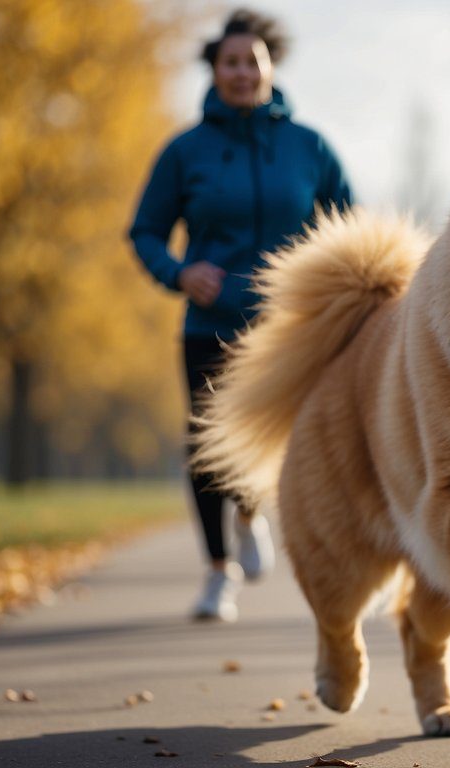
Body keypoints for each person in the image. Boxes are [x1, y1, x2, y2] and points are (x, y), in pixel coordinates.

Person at [128, 8, 352, 622]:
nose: (242, 73)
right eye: (230, 62)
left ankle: (253, 511)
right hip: (209, 324)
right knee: (206, 448)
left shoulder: (309, 148)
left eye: (251, 61)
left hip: (291, 329)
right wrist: (179, 273)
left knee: (283, 438)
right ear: (215, 71)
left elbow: (349, 227)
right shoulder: (185, 152)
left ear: (269, 67)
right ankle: (216, 571)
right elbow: (145, 231)